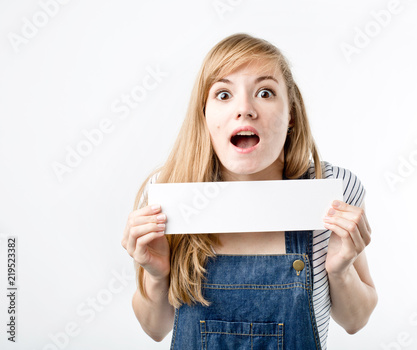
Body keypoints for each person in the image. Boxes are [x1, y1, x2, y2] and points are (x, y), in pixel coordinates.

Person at [121, 33, 377, 349]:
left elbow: (356, 321)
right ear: (204, 115)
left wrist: (340, 272)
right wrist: (157, 276)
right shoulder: (167, 193)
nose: (244, 109)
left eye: (265, 92)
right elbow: (154, 329)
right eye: (224, 94)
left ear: (292, 114)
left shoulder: (333, 190)